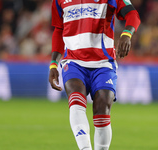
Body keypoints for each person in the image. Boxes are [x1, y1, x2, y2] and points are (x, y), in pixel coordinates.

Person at [49, 0, 141, 150]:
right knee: (76, 98)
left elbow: (133, 14)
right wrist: (53, 63)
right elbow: (59, 29)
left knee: (103, 106)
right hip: (73, 61)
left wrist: (127, 34)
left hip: (103, 63)